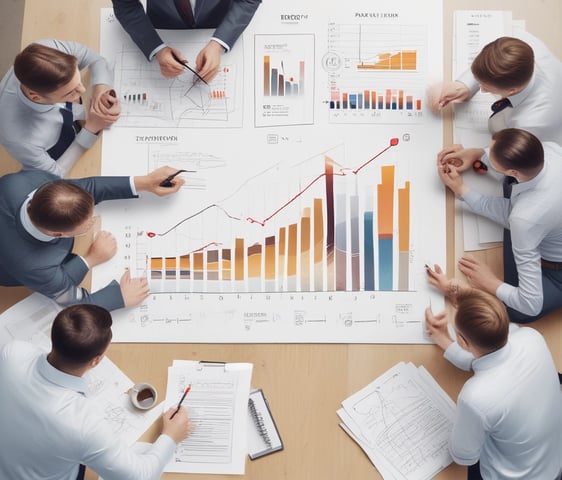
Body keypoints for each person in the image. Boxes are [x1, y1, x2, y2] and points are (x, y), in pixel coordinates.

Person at [0, 303, 192, 480]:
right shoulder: (81, 425)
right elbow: (139, 476)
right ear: (96, 361)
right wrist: (171, 437)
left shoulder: (13, 352)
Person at [0, 165, 185, 311]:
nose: (93, 220)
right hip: (10, 268)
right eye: (87, 224)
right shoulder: (37, 267)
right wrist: (90, 261)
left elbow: (88, 188)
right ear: (59, 234)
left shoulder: (26, 181)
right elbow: (71, 301)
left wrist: (144, 182)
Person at [424, 287, 562, 480]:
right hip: (552, 461)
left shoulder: (475, 397)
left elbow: (464, 458)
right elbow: (488, 359)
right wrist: (446, 341)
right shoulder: (531, 337)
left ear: (463, 342)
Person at [436, 128, 562, 323]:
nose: (486, 153)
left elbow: (531, 303)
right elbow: (513, 211)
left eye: (490, 155)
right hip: (544, 221)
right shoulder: (550, 149)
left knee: (515, 312)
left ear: (513, 171)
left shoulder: (524, 219)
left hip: (556, 271)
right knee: (509, 187)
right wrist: (478, 155)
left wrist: (489, 282)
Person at [0, 39, 121, 177]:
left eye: (78, 81)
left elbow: (94, 59)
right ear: (36, 97)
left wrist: (100, 89)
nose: (83, 90)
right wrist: (90, 130)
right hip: (57, 149)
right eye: (71, 92)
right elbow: (55, 174)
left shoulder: (50, 51)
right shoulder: (20, 139)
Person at [428, 31, 562, 145]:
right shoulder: (519, 41)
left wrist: (482, 155)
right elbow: (495, 60)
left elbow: (513, 156)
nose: (482, 90)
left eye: (486, 87)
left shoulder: (529, 124)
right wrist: (464, 85)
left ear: (512, 91)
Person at [112, 0, 261, 80]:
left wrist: (219, 42)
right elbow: (125, 5)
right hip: (164, 24)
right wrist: (157, 48)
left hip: (220, 18)